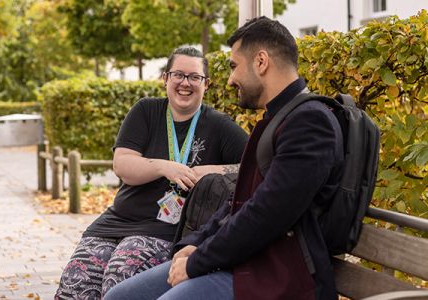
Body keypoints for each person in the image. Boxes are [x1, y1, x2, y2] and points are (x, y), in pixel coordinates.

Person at [104, 17, 345, 300]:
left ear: (261, 62)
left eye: (233, 66)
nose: (230, 79)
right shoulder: (278, 119)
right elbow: (240, 202)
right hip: (245, 260)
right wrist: (195, 244)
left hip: (277, 274)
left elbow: (266, 215)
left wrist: (197, 262)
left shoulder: (309, 122)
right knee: (119, 296)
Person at [55, 46, 249, 300]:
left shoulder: (219, 125)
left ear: (207, 84)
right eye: (178, 74)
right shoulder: (146, 111)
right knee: (75, 282)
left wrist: (210, 171)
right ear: (166, 78)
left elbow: (255, 165)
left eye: (195, 77)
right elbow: (122, 165)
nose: (185, 83)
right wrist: (164, 166)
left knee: (120, 276)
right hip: (116, 222)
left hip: (164, 230)